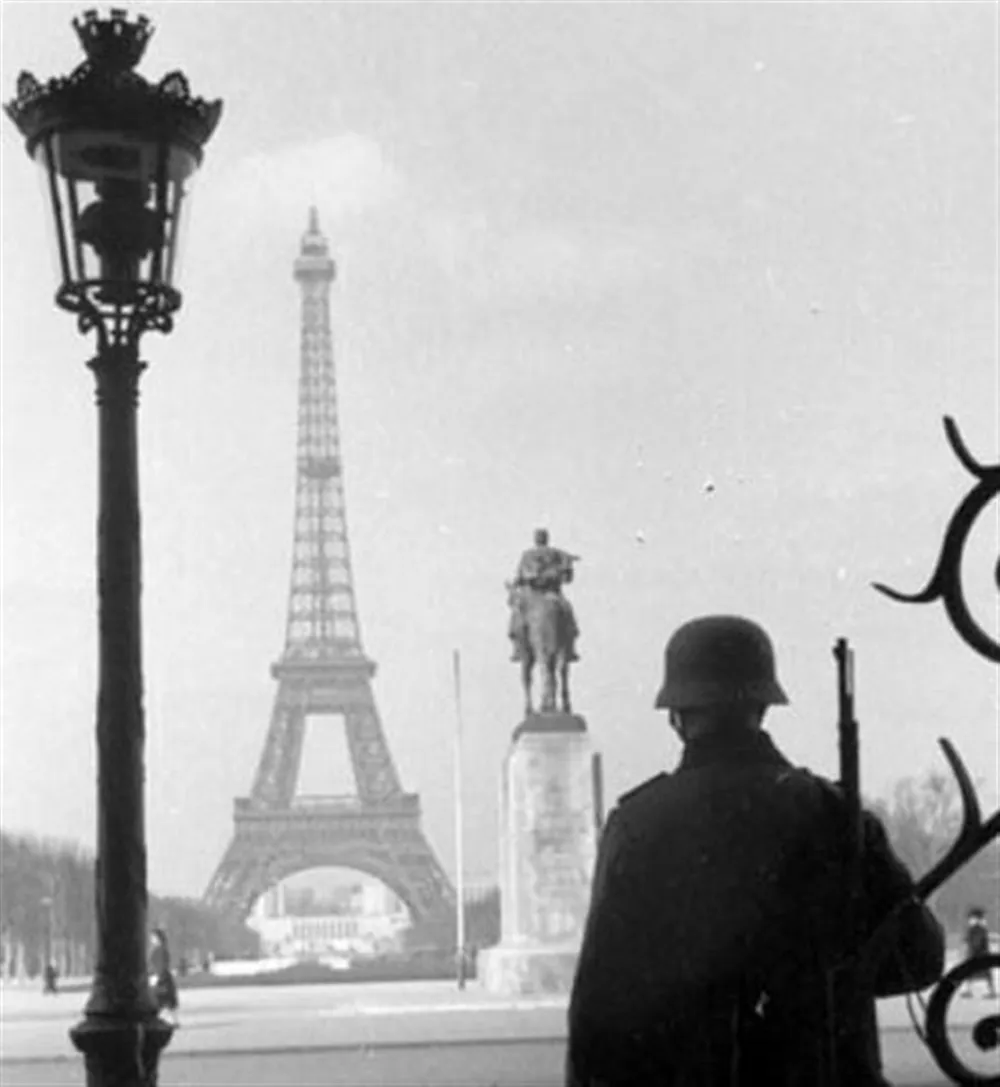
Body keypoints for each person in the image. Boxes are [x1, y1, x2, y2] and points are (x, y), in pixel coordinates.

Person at [566, 615, 945, 1086]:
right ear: (764, 706)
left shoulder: (638, 823)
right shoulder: (831, 811)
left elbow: (598, 1014)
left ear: (676, 717)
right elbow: (921, 956)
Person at [509, 528, 580, 661]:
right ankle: (570, 647)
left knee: (518, 617)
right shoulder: (555, 553)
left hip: (536, 594)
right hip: (551, 593)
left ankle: (519, 648)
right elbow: (567, 576)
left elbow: (519, 575)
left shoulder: (529, 555)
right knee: (567, 610)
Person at [961, 907, 996, 998]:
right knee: (976, 974)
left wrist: (972, 950)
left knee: (972, 973)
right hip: (980, 954)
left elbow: (976, 942)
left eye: (971, 918)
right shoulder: (978, 929)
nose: (970, 920)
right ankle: (969, 990)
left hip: (977, 954)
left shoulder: (976, 929)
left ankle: (990, 991)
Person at [150, 927, 180, 1027]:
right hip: (163, 977)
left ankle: (160, 1020)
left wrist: (157, 977)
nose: (151, 939)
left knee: (159, 999)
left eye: (153, 937)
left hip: (161, 978)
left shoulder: (159, 950)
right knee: (168, 1000)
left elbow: (160, 965)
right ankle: (173, 1020)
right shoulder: (161, 949)